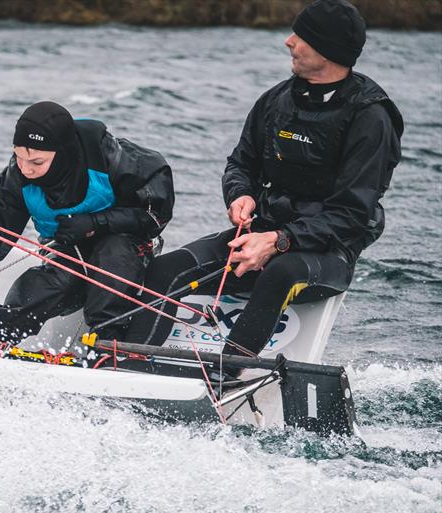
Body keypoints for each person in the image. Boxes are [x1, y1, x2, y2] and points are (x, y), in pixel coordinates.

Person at [124, 0, 403, 376]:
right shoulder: (276, 100)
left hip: (326, 253)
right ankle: (131, 367)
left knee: (280, 273)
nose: (289, 42)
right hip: (262, 232)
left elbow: (353, 214)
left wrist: (279, 240)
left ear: (328, 50)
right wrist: (240, 194)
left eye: (300, 36)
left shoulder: (370, 117)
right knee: (164, 271)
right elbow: (241, 163)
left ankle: (224, 374)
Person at [0, 101, 174, 348]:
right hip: (67, 248)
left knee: (113, 253)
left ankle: (109, 342)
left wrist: (97, 222)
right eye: (19, 157)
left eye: (36, 162)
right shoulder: (18, 178)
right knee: (51, 284)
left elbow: (155, 214)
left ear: (64, 154)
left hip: (125, 246)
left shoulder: (108, 158)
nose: (26, 169)